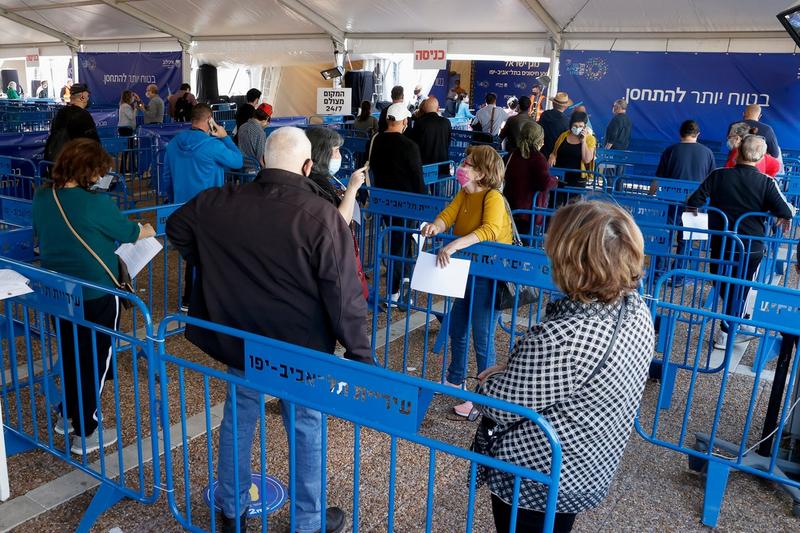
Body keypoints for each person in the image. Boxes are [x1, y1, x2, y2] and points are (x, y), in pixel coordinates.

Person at [166, 126, 371, 533]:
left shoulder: (216, 201)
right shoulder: (321, 217)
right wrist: (360, 354)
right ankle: (308, 521)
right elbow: (343, 292)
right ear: (308, 167)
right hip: (300, 348)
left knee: (238, 419)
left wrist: (212, 265)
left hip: (242, 341)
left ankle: (232, 510)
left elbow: (176, 229)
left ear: (261, 161)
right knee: (306, 427)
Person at [474, 200, 653, 533]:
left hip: (537, 475)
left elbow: (502, 406)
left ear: (572, 260)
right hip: (587, 463)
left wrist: (488, 381)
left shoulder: (563, 337)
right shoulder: (635, 307)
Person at [32, 138, 156, 454]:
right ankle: (85, 431)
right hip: (96, 292)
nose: (101, 177)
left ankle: (67, 415)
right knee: (95, 362)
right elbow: (131, 233)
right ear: (88, 171)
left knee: (71, 352)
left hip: (59, 291)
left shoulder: (43, 196)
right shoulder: (95, 203)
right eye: (99, 171)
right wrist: (148, 229)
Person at [421, 145, 513, 417]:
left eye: (468, 164)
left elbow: (490, 229)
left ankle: (484, 398)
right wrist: (436, 226)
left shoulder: (493, 197)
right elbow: (448, 214)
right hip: (465, 271)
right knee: (458, 327)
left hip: (489, 275)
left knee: (482, 337)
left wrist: (454, 245)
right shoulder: (464, 193)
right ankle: (455, 378)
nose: (462, 166)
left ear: (482, 173)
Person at [687, 135, 795, 348]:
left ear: (738, 151)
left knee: (722, 283)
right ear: (762, 156)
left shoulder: (718, 175)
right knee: (742, 288)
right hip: (750, 247)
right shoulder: (767, 182)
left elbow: (694, 201)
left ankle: (734, 321)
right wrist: (780, 215)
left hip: (721, 243)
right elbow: (785, 211)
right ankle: (730, 327)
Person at [161, 103, 243, 311]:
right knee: (210, 253)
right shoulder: (213, 145)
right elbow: (238, 161)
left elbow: (167, 177)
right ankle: (205, 298)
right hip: (210, 209)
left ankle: (190, 298)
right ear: (210, 120)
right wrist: (225, 137)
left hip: (182, 208)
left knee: (193, 253)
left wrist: (173, 201)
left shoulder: (173, 144)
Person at [369, 103, 425, 303]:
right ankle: (395, 291)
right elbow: (418, 178)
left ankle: (404, 280)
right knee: (400, 244)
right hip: (407, 203)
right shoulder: (409, 146)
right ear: (405, 121)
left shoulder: (375, 141)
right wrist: (425, 205)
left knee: (398, 240)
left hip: (383, 201)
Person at [305, 126, 370, 298]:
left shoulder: (320, 179)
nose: (339, 156)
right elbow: (338, 222)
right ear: (321, 153)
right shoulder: (316, 183)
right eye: (335, 150)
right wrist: (352, 188)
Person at [654, 120, 717, 284]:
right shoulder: (708, 153)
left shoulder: (670, 150)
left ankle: (658, 273)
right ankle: (678, 277)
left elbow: (659, 178)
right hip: (695, 204)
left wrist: (650, 195)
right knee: (686, 240)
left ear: (680, 133)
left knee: (664, 237)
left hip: (670, 202)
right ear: (698, 134)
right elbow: (712, 180)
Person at [503, 121, 557, 236]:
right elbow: (544, 183)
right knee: (527, 242)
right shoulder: (538, 158)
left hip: (508, 207)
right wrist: (555, 181)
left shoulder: (511, 155)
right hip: (529, 212)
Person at [44, 83, 100, 163]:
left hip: (56, 162)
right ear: (82, 97)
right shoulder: (83, 116)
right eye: (87, 96)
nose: (88, 99)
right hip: (75, 163)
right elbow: (92, 142)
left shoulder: (60, 113)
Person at [549, 111, 597, 189]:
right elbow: (555, 151)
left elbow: (587, 160)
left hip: (577, 180)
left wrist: (583, 141)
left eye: (580, 126)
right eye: (575, 125)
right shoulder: (564, 135)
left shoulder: (590, 139)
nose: (577, 128)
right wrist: (552, 156)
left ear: (585, 127)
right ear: (571, 124)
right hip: (560, 176)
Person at [408, 97, 452, 168]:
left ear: (424, 108)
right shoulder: (446, 122)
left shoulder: (420, 123)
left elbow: (414, 144)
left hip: (425, 166)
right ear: (438, 108)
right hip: (443, 165)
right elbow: (448, 142)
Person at [538, 91, 571, 158]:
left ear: (553, 103)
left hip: (544, 152)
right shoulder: (567, 122)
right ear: (566, 107)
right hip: (558, 156)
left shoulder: (545, 115)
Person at [236, 107, 270, 172]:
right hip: (253, 168)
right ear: (266, 119)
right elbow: (260, 157)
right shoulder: (260, 133)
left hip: (240, 165)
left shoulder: (242, 127)